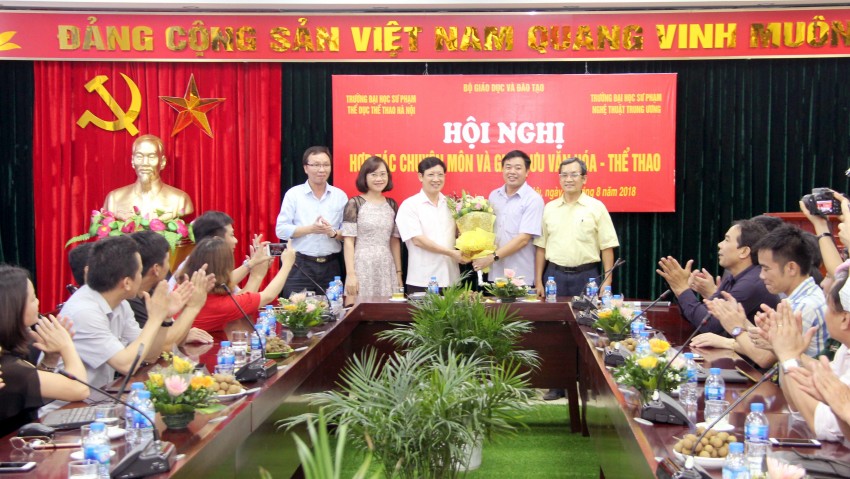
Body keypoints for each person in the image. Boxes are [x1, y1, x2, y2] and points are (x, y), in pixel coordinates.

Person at [55, 236, 180, 405]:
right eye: (139, 272)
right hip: (66, 410)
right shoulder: (85, 311)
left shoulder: (120, 304)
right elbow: (127, 365)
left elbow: (149, 355)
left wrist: (163, 319)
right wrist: (154, 319)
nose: (141, 277)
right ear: (127, 282)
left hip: (98, 400)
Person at [719, 225, 828, 368]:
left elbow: (764, 358)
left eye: (766, 269)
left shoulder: (803, 306)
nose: (761, 275)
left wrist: (736, 328)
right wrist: (742, 320)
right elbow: (768, 344)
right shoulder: (801, 297)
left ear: (791, 268)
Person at [0, 265, 90, 436]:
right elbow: (80, 390)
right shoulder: (7, 367)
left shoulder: (17, 347)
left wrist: (51, 357)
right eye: (33, 298)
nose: (38, 302)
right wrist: (66, 345)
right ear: (15, 308)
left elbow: (33, 386)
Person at [658, 220, 779, 339]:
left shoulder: (750, 284)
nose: (720, 245)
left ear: (744, 251)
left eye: (727, 240)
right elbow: (701, 318)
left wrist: (682, 289)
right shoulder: (733, 277)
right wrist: (680, 290)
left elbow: (709, 325)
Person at [769, 272, 850, 441]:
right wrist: (790, 353)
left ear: (845, 320)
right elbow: (800, 408)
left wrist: (789, 357)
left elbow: (823, 424)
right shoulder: (845, 349)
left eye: (827, 306)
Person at [184, 237, 296, 344]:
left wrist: (253, 264)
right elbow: (268, 296)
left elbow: (223, 281)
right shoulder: (220, 305)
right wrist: (287, 265)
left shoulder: (186, 287)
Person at [533, 157, 619, 298]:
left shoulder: (596, 207)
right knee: (553, 312)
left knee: (587, 313)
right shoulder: (549, 208)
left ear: (584, 179)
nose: (568, 179)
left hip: (587, 276)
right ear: (559, 179)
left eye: (574, 175)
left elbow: (607, 247)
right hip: (554, 277)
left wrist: (607, 281)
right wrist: (538, 282)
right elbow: (541, 247)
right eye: (564, 175)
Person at [275, 146, 348, 298]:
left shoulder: (340, 196)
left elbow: (348, 233)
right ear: (305, 168)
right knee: (297, 309)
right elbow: (281, 230)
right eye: (316, 165)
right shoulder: (294, 195)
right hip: (300, 265)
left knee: (332, 309)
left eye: (326, 165)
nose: (321, 169)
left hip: (331, 267)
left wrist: (332, 233)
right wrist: (310, 229)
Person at [129, 231, 214, 349]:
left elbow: (176, 339)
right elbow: (163, 346)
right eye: (167, 261)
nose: (169, 267)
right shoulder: (130, 301)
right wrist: (193, 307)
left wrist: (187, 303)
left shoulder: (152, 293)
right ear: (156, 269)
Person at [396, 157, 468, 293]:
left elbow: (458, 235)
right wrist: (451, 253)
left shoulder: (451, 204)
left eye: (440, 175)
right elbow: (417, 240)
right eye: (431, 175)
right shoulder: (410, 205)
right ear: (420, 177)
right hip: (423, 280)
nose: (436, 179)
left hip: (452, 278)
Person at [471, 150, 544, 284]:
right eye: (508, 167)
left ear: (527, 172)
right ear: (502, 170)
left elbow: (523, 239)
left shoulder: (533, 199)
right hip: (494, 273)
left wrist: (491, 257)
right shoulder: (494, 195)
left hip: (520, 275)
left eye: (518, 168)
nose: (512, 171)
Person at [342, 156, 403, 300]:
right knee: (359, 308)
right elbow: (349, 241)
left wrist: (398, 273)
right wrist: (351, 274)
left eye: (383, 174)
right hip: (362, 265)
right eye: (374, 175)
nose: (379, 179)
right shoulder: (354, 203)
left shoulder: (392, 204)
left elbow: (394, 241)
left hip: (386, 265)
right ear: (365, 177)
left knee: (387, 310)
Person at [171, 210, 269, 290]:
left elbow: (237, 295)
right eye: (232, 235)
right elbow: (227, 292)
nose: (236, 240)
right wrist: (253, 266)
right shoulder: (196, 267)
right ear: (216, 240)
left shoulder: (214, 263)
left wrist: (254, 264)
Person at [103, 134, 194, 221]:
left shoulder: (180, 200)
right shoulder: (114, 198)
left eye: (151, 157)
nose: (145, 163)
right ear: (132, 161)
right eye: (139, 156)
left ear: (162, 162)